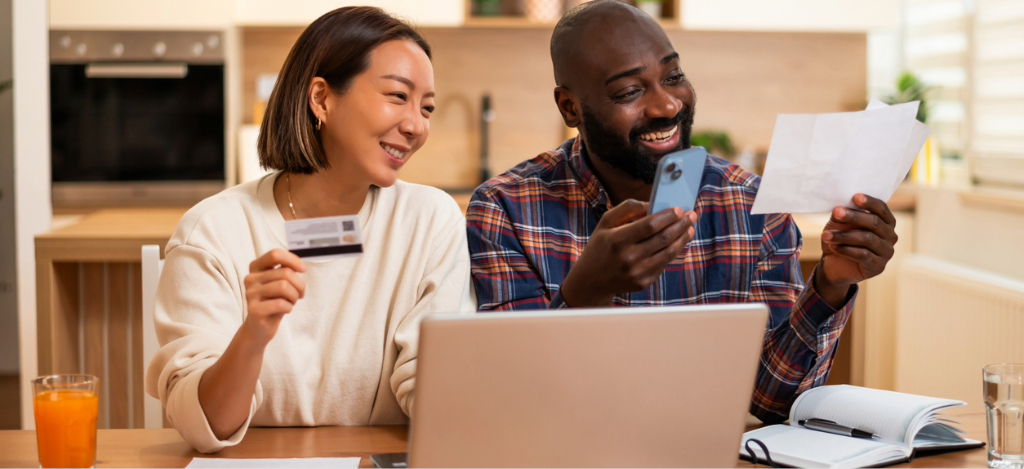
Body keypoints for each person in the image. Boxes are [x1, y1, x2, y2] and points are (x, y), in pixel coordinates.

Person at [465, 0, 898, 424]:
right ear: (570, 107)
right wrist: (585, 293)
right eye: (630, 92)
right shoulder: (504, 209)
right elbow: (515, 402)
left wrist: (831, 283)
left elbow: (773, 403)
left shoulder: (752, 205)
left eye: (673, 76)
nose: (667, 106)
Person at [146, 7, 474, 453]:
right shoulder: (214, 230)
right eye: (398, 96)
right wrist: (254, 334)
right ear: (321, 98)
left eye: (427, 107)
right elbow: (208, 425)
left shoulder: (431, 222)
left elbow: (437, 396)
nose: (416, 125)